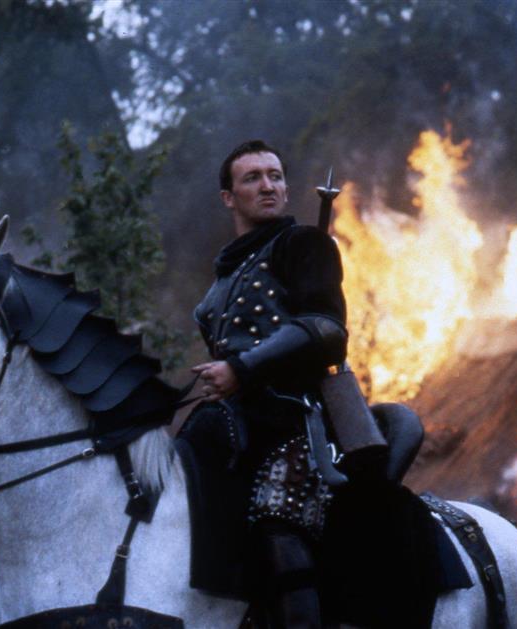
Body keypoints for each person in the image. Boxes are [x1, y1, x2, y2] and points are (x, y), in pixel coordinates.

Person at [181, 140, 348, 628]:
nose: (268, 186)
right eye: (252, 178)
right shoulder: (221, 283)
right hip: (235, 429)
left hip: (294, 424)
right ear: (228, 197)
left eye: (275, 176)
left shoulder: (303, 244)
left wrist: (242, 368)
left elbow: (326, 328)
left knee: (278, 524)